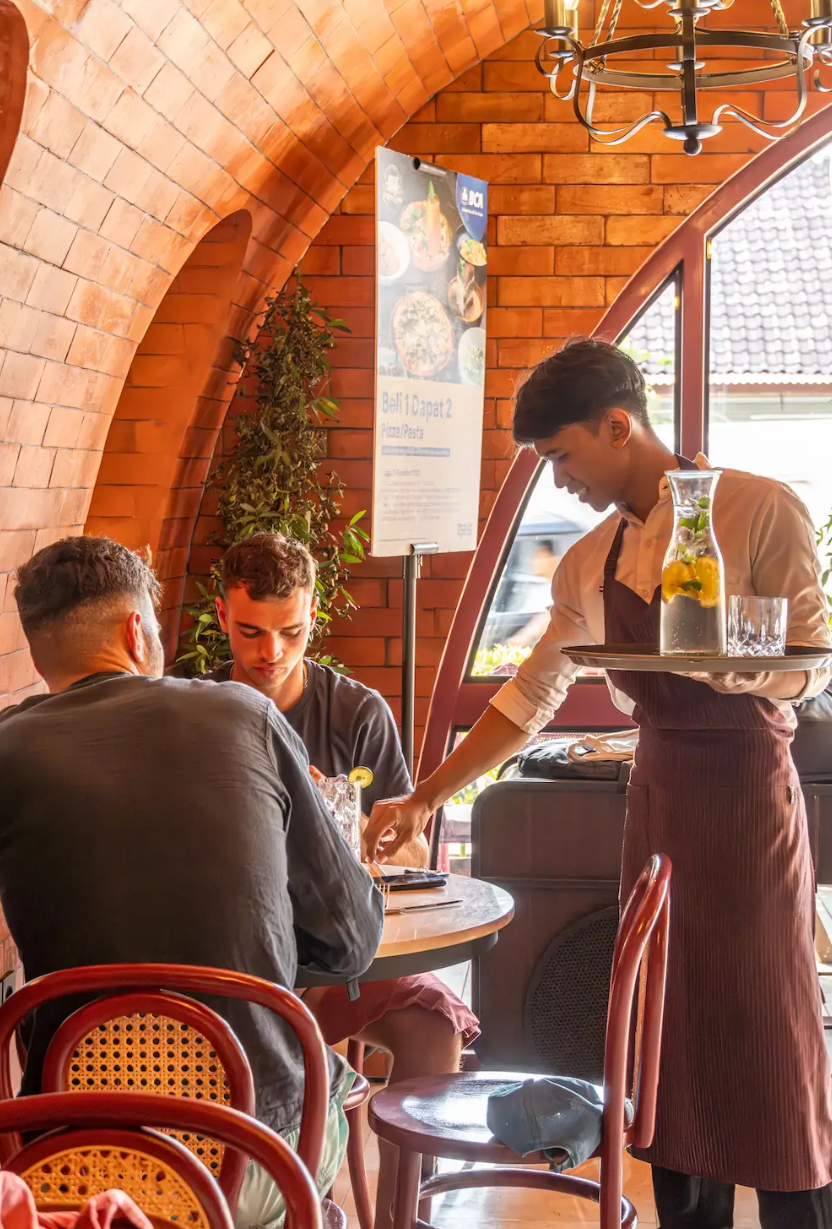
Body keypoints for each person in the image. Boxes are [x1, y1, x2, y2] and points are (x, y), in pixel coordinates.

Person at [366, 338, 832, 1228]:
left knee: (771, 1038)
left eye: (563, 455)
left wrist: (732, 669)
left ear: (619, 425)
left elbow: (813, 662)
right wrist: (426, 795)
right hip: (659, 809)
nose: (560, 479)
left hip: (750, 804)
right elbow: (528, 697)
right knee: (668, 1044)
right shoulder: (588, 562)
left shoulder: (761, 507)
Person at [0, 536, 385, 1229]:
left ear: (37, 653)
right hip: (252, 1159)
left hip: (71, 1160)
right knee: (329, 1093)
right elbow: (352, 940)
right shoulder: (244, 714)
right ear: (136, 631)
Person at [205, 532, 479, 1229]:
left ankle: (400, 1218)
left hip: (335, 957)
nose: (271, 652)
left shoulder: (356, 713)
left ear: (314, 615)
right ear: (222, 613)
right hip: (231, 965)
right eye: (251, 631)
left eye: (292, 632)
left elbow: (412, 847)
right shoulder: (196, 711)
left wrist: (355, 825)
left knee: (433, 1025)